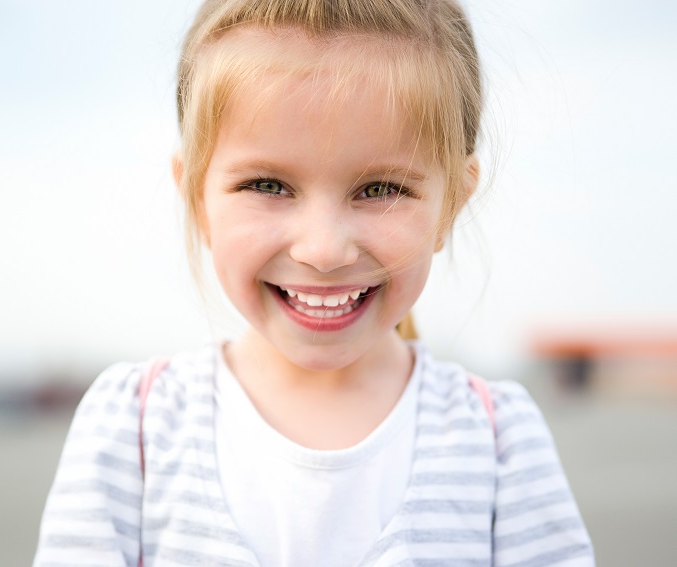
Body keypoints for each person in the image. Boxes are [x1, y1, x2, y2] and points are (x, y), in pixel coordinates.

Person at [33, 0, 594, 565]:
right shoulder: (135, 429)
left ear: (451, 204)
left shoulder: (498, 442)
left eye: (379, 189)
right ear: (197, 198)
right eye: (268, 184)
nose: (323, 250)